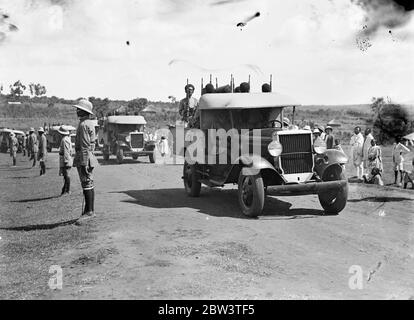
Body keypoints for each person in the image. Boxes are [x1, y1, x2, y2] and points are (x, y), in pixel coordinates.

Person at [73, 99, 98, 223]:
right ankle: (89, 210)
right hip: (88, 156)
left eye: (79, 109)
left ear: (84, 111)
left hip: (84, 157)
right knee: (89, 183)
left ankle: (89, 211)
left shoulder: (83, 125)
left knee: (87, 184)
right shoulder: (89, 123)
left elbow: (84, 145)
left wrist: (83, 163)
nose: (77, 111)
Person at [58, 126, 73, 195]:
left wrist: (66, 161)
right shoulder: (67, 139)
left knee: (66, 175)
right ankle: (64, 189)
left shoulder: (64, 140)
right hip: (65, 159)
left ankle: (68, 190)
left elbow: (66, 151)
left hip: (65, 159)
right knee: (65, 175)